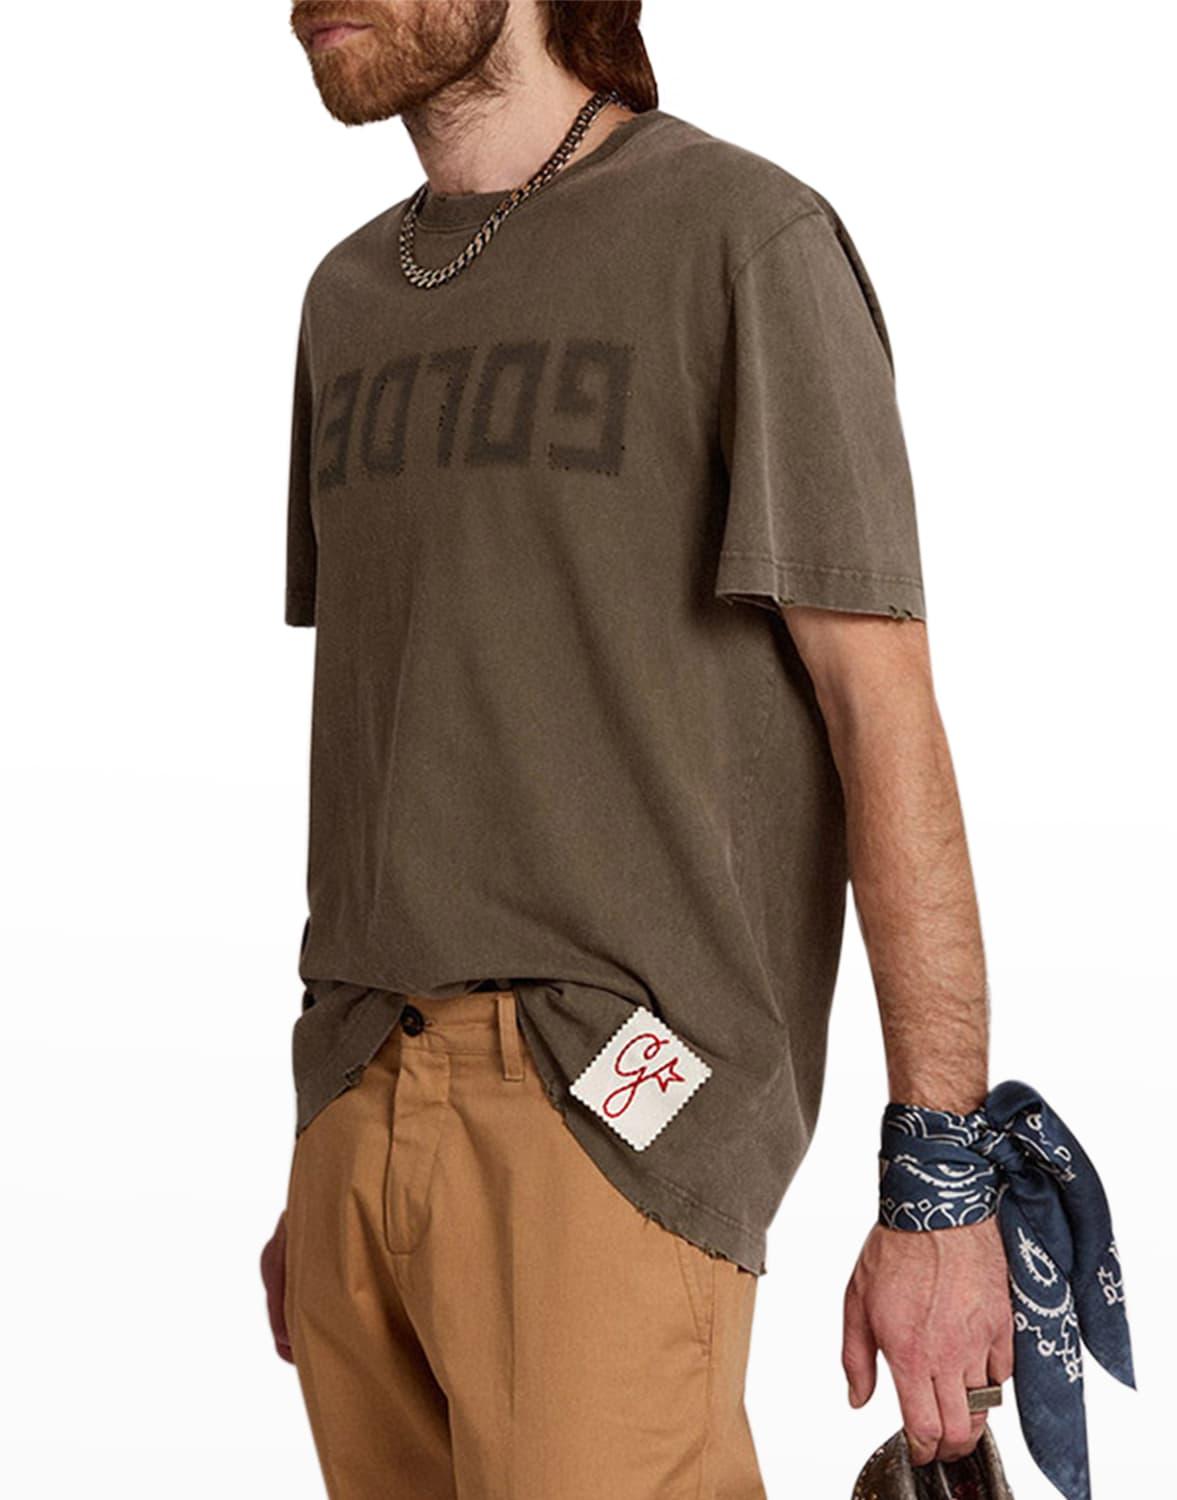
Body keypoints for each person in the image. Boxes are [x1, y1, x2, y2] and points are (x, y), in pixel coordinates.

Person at [260, 3, 1014, 1496]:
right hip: (358, 1109)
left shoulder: (742, 240)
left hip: (611, 1110)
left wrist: (942, 1184)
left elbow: (882, 711)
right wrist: (341, 1141)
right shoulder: (347, 296)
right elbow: (410, 720)